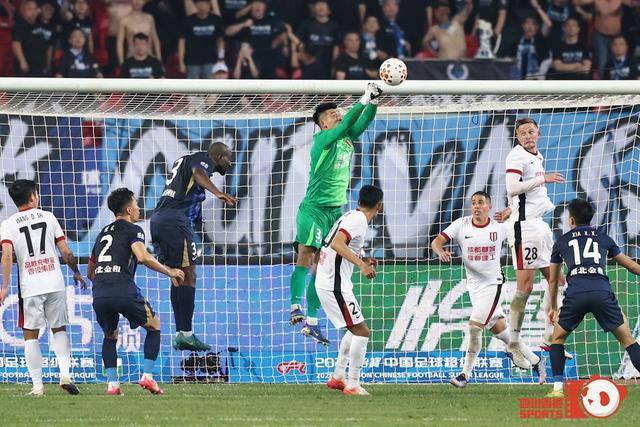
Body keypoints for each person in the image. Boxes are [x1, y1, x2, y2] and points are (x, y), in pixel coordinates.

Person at [291, 83, 382, 345]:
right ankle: (295, 306)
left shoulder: (345, 138)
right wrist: (364, 98)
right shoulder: (322, 140)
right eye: (333, 114)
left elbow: (362, 122)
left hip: (334, 211)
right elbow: (348, 123)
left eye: (338, 113)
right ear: (323, 123)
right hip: (314, 209)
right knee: (306, 254)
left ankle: (312, 321)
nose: (338, 116)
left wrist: (374, 102)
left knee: (323, 265)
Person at [432, 191, 546, 386]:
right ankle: (536, 360)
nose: (476, 206)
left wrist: (511, 210)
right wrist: (440, 251)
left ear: (489, 207)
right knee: (501, 331)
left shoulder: (500, 227)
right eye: (473, 203)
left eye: (481, 202)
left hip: (493, 284)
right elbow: (436, 241)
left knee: (474, 327)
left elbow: (525, 220)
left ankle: (464, 375)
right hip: (473, 287)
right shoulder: (461, 224)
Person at [88, 188, 184, 395]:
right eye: (136, 204)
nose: (139, 208)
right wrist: (170, 271)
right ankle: (147, 377)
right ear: (129, 210)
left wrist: (105, 282)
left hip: (100, 292)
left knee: (110, 336)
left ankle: (113, 385)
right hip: (122, 288)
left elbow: (90, 271)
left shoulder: (101, 233)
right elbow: (143, 257)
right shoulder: (134, 230)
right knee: (154, 326)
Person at [546, 199, 640, 397]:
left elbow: (553, 280)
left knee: (557, 339)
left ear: (571, 220)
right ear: (590, 218)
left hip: (576, 294)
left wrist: (553, 307)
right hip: (601, 292)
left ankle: (557, 388)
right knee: (628, 340)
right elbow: (631, 266)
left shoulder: (561, 241)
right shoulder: (604, 238)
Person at [0, 180, 85, 396]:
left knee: (31, 335)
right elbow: (66, 252)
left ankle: (38, 386)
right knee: (59, 329)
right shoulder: (48, 217)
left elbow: (7, 255)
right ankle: (65, 375)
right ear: (32, 197)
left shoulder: (8, 224)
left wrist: (5, 286)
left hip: (30, 286)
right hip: (55, 282)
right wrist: (76, 272)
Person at [150, 143, 236, 352]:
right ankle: (186, 334)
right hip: (175, 221)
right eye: (228, 157)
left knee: (177, 275)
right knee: (189, 274)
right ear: (218, 156)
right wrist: (218, 192)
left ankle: (181, 333)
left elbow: (192, 198)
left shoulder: (185, 166)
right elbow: (198, 172)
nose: (231, 163)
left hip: (159, 219)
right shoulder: (201, 159)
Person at [495, 117, 566, 370]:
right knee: (524, 288)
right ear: (517, 137)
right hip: (524, 230)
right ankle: (513, 343)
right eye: (523, 133)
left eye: (531, 132)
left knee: (559, 281)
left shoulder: (536, 155)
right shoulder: (516, 156)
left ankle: (549, 335)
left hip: (539, 226)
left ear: (539, 133)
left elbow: (519, 196)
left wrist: (510, 208)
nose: (527, 136)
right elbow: (513, 187)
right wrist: (543, 179)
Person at [318, 185, 383, 396]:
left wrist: (362, 259)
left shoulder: (351, 215)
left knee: (353, 329)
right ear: (379, 206)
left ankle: (338, 377)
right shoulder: (359, 220)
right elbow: (337, 244)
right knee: (362, 331)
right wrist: (362, 265)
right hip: (333, 284)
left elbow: (340, 245)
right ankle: (353, 384)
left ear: (359, 202)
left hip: (331, 281)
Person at [179, 0, 225, 79]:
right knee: (192, 85)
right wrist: (181, 62)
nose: (202, 5)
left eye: (205, 3)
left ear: (209, 5)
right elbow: (181, 41)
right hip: (192, 61)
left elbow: (220, 41)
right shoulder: (188, 20)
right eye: (199, 2)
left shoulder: (216, 20)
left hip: (211, 60)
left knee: (210, 85)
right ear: (195, 5)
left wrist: (221, 58)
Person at [294, 0, 340, 79]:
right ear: (314, 9)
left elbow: (336, 48)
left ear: (329, 10)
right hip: (308, 64)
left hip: (326, 64)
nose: (320, 7)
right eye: (318, 5)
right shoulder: (307, 23)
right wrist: (303, 54)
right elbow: (297, 40)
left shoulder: (334, 26)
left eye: (323, 6)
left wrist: (334, 66)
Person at [12, 0, 54, 76]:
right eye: (29, 9)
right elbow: (16, 43)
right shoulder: (20, 25)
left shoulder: (39, 24)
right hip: (26, 67)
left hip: (39, 67)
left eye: (35, 9)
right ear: (22, 11)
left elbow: (48, 46)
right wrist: (22, 61)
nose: (33, 12)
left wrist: (47, 64)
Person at [117, 0, 162, 66]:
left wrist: (159, 60)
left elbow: (155, 40)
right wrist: (122, 63)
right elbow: (119, 43)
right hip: (132, 58)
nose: (137, 2)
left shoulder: (150, 19)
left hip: (149, 57)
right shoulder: (124, 21)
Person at [512, 8, 551, 79]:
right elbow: (513, 59)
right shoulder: (517, 40)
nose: (530, 26)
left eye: (533, 24)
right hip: (520, 76)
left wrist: (537, 7)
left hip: (537, 77)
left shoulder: (540, 39)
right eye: (528, 23)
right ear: (523, 26)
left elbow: (548, 24)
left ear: (537, 27)